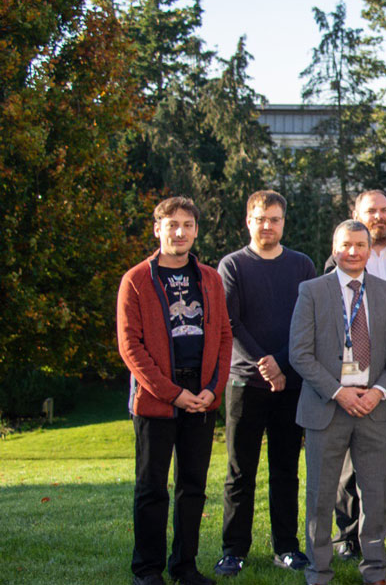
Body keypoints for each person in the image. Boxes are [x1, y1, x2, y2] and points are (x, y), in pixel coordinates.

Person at [117, 196, 232, 585]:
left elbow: (224, 337)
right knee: (152, 488)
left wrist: (212, 390)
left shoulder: (210, 279)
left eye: (187, 225)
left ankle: (185, 566)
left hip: (201, 395)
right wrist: (171, 393)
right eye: (172, 225)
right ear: (157, 229)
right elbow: (131, 347)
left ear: (196, 231)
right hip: (156, 399)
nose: (179, 232)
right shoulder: (136, 279)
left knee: (193, 487)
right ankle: (147, 570)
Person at [289, 220, 386, 585]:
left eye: (360, 245)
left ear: (370, 250)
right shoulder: (312, 291)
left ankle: (375, 570)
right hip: (327, 408)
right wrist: (338, 392)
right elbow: (299, 353)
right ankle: (318, 571)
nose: (353, 252)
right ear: (334, 248)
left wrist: (378, 392)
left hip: (375, 409)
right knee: (320, 495)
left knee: (375, 495)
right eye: (346, 245)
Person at [214, 190, 317, 577]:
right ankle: (234, 550)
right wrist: (265, 364)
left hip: (291, 383)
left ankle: (286, 547)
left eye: (274, 219)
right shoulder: (232, 265)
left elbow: (309, 321)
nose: (268, 226)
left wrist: (283, 363)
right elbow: (230, 322)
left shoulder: (302, 265)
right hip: (245, 384)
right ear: (248, 221)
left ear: (283, 222)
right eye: (261, 219)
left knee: (286, 469)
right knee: (240, 471)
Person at [327, 190, 386, 560]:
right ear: (356, 213)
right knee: (349, 461)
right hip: (353, 378)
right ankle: (347, 537)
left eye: (385, 210)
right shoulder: (339, 260)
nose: (379, 216)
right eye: (371, 210)